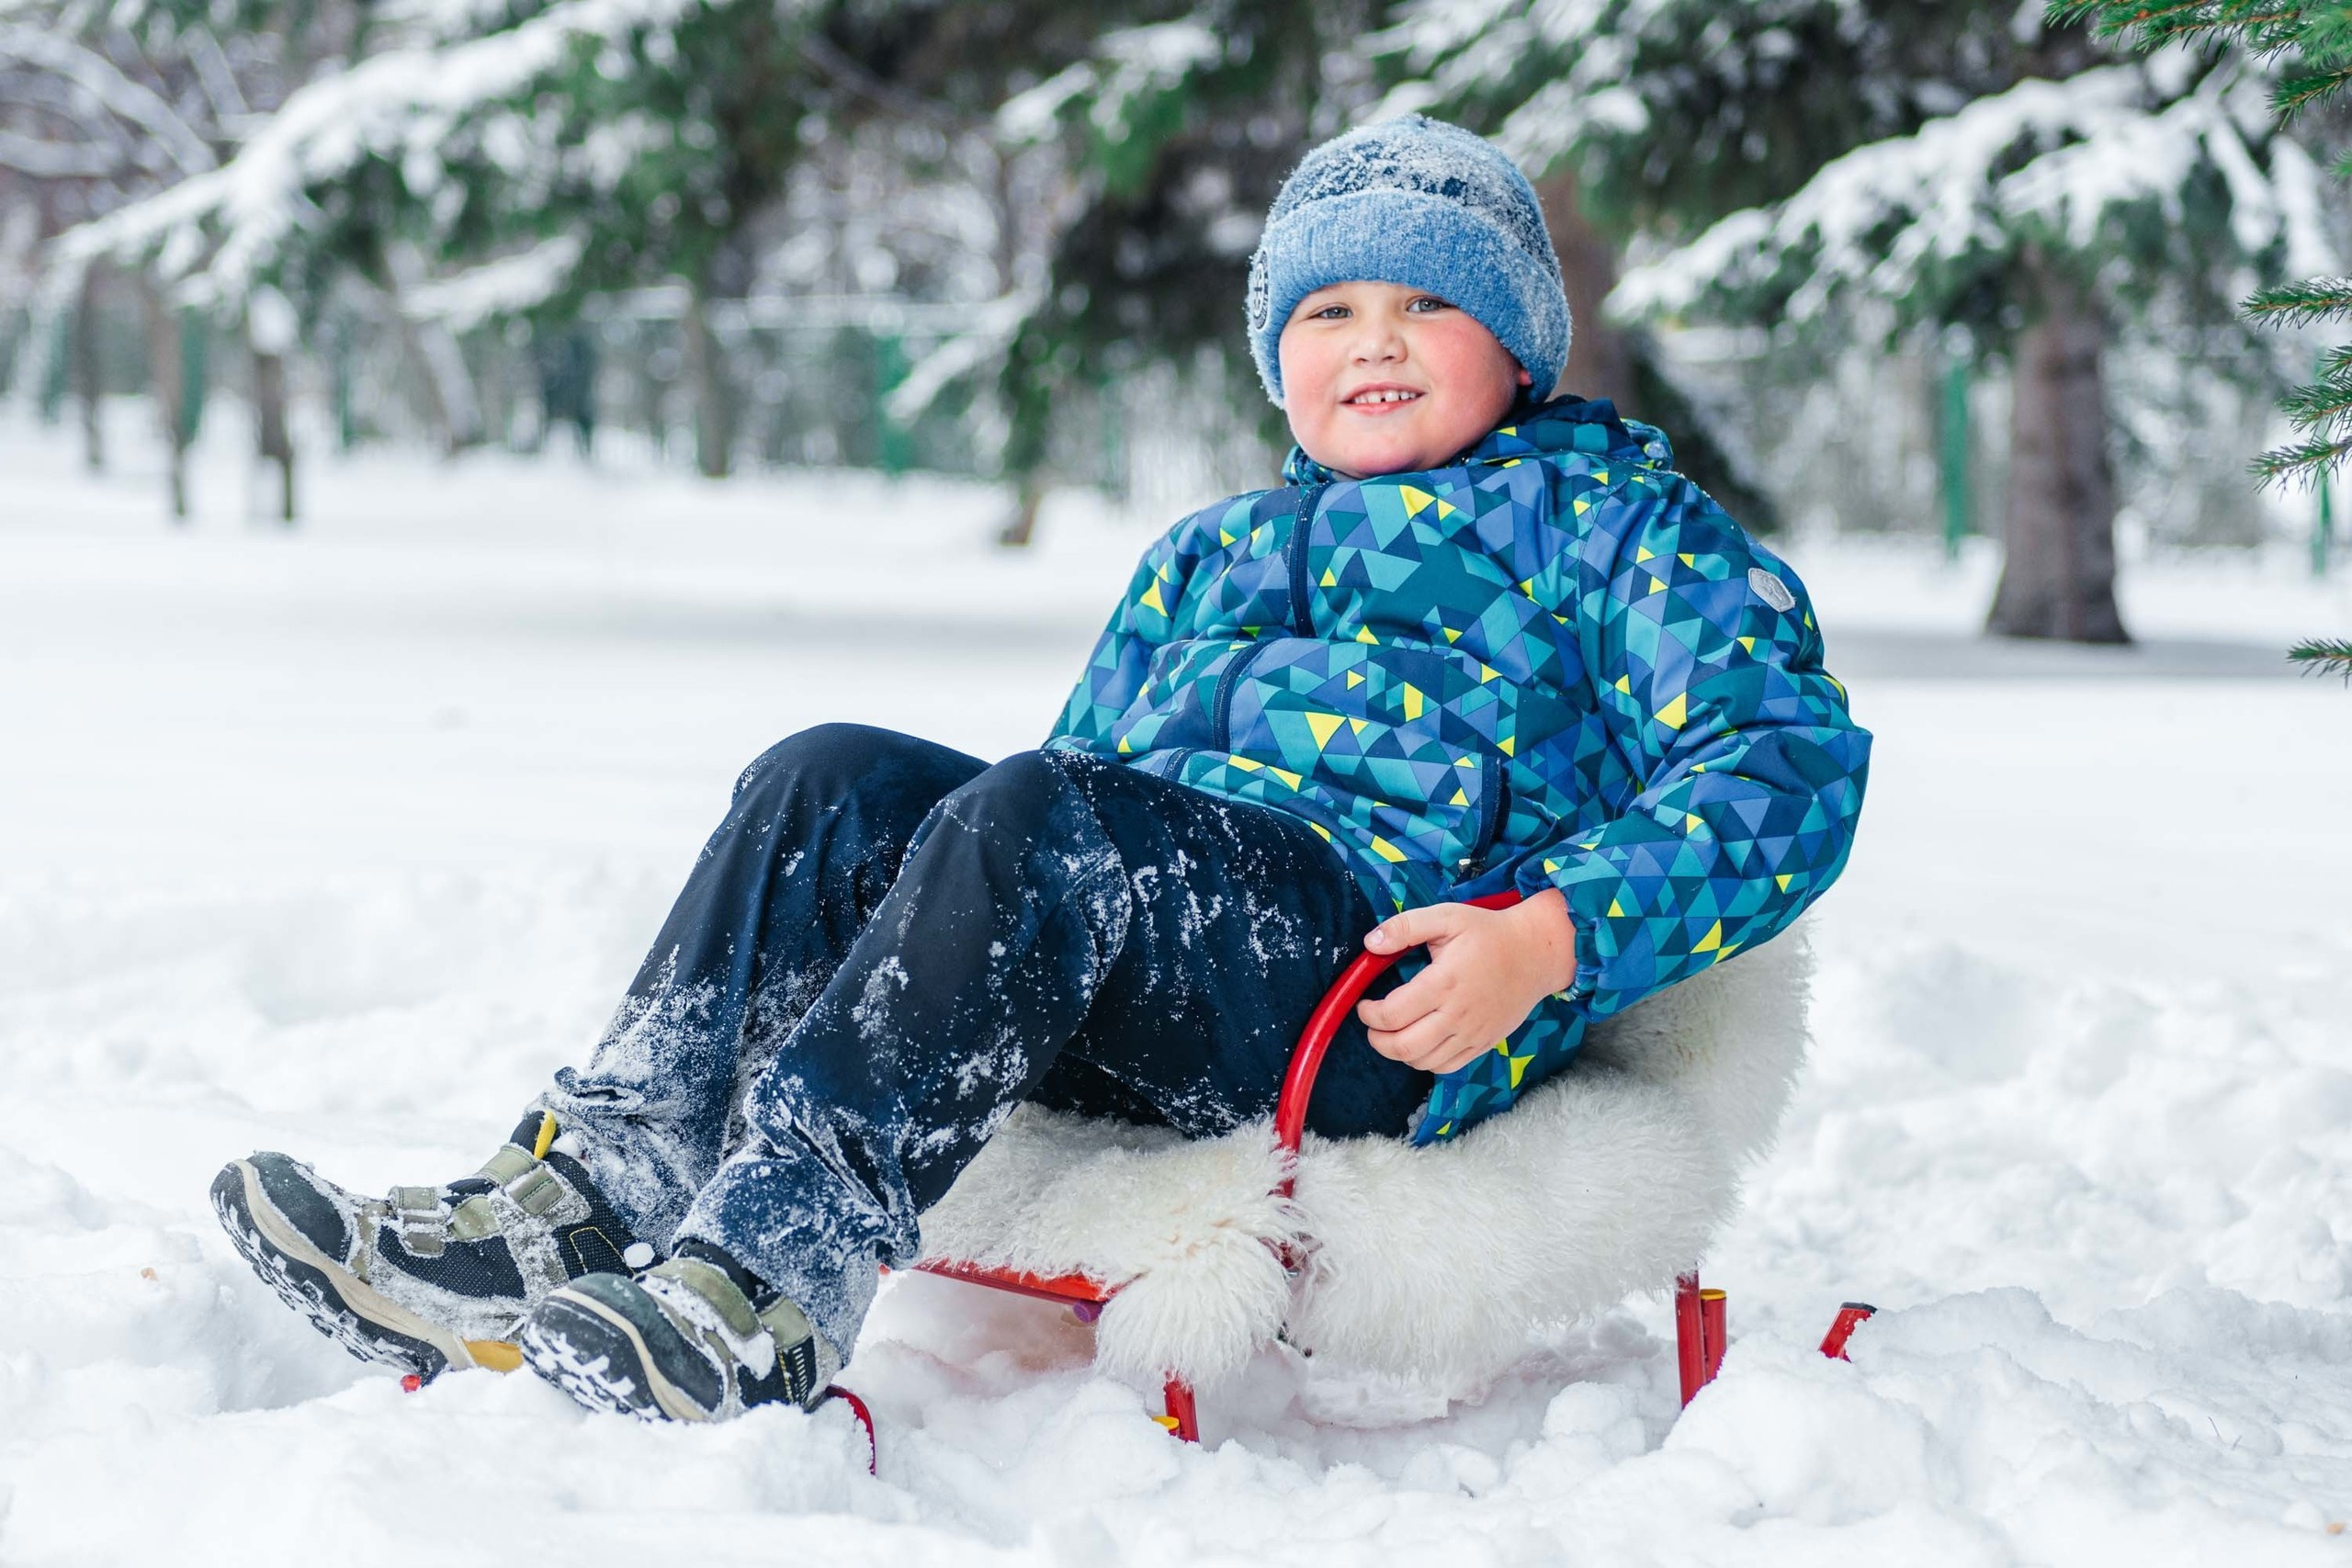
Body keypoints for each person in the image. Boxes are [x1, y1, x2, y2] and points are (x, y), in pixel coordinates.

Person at [211, 115, 1871, 1425]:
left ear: (1519, 341)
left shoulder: (1614, 531)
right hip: (1168, 951)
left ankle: (775, 1279)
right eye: (1330, 308)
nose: (1377, 338)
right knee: (829, 778)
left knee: (1045, 821)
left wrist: (1551, 938)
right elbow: (1068, 799)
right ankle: (589, 1191)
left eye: (1429, 299)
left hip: (1372, 990)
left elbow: (1786, 765)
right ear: (1275, 353)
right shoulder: (1208, 552)